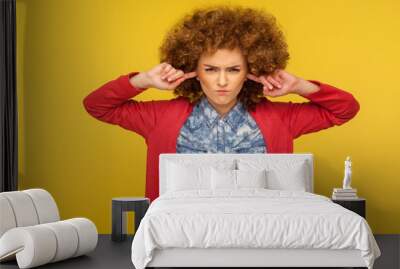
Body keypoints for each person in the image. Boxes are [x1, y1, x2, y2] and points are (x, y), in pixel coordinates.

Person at [83, 6, 360, 202]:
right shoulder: (160, 117)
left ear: (252, 70)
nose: (222, 81)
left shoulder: (280, 118)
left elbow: (345, 109)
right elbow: (97, 105)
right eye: (211, 69)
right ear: (193, 68)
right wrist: (143, 80)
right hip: (181, 226)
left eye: (234, 69)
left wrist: (299, 85)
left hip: (260, 224)